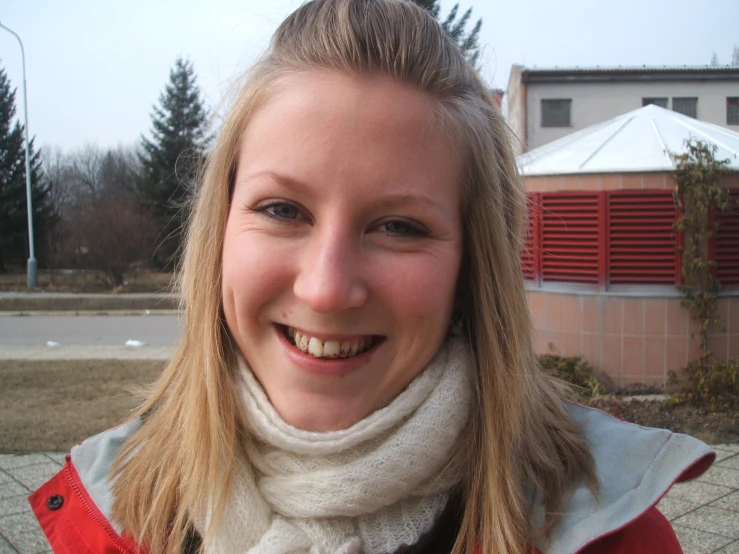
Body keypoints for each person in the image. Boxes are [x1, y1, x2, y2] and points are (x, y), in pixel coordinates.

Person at [30, 0, 714, 552]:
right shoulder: (112, 513)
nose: (326, 289)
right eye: (281, 209)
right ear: (220, 229)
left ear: (473, 270)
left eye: (399, 227)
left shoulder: (608, 537)